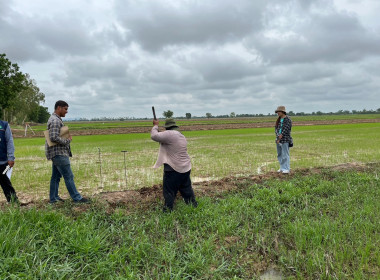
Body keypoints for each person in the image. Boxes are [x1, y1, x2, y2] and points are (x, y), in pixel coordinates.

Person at [45, 100, 89, 203]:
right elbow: (53, 137)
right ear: (59, 108)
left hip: (55, 153)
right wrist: (67, 141)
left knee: (55, 177)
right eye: (65, 109)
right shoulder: (55, 121)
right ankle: (77, 198)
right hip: (59, 153)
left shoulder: (54, 119)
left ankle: (54, 198)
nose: (66, 111)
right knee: (68, 176)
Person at [151, 118, 198, 211]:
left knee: (169, 191)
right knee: (186, 188)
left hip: (173, 169)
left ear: (167, 127)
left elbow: (154, 136)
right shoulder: (180, 135)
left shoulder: (169, 134)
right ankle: (193, 205)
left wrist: (155, 125)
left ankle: (168, 210)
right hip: (185, 167)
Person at [0, 120, 18, 203]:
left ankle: (13, 201)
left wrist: (11, 157)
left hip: (2, 161)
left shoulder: (4, 125)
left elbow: (9, 141)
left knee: (5, 183)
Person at [275, 106, 293, 174]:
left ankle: (286, 168)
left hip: (285, 139)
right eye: (277, 112)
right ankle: (282, 167)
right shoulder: (279, 120)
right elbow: (276, 129)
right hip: (278, 139)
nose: (278, 113)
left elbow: (286, 129)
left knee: (285, 154)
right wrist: (277, 136)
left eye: (279, 112)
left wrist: (280, 136)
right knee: (279, 154)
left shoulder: (288, 120)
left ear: (283, 112)